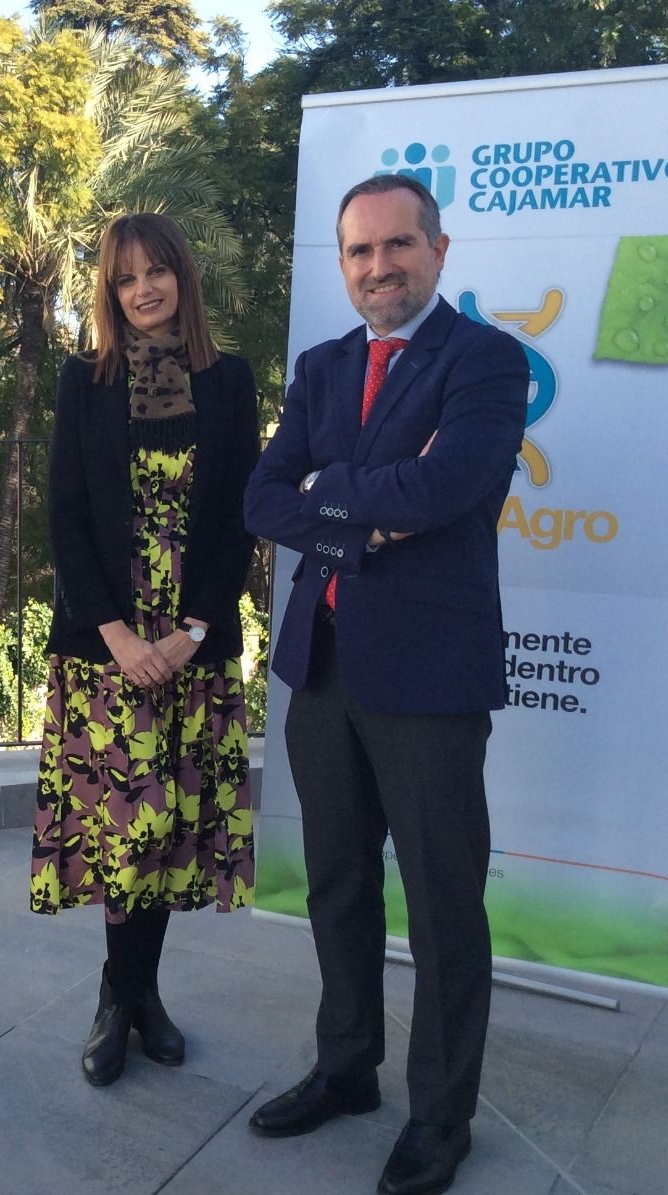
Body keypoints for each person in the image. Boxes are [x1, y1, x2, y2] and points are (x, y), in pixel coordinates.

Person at [242, 174, 528, 1195]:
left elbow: (451, 485)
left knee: (444, 904)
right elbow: (263, 498)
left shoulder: (485, 360)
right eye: (359, 251)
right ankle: (345, 1066)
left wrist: (332, 496)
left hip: (429, 679)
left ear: (438, 251)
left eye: (398, 245)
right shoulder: (320, 370)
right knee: (338, 885)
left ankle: (439, 1117)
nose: (378, 266)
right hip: (320, 672)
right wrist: (362, 511)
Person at [31, 212, 259, 1087]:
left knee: (170, 832)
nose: (145, 288)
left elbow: (243, 512)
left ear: (182, 278)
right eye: (127, 276)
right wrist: (120, 635)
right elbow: (66, 517)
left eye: (158, 270)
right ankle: (119, 998)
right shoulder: (84, 380)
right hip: (106, 648)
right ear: (110, 290)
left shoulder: (228, 382)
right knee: (126, 832)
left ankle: (136, 995)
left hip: (193, 643)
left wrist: (193, 629)